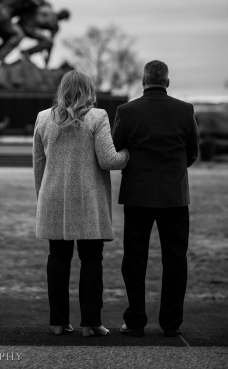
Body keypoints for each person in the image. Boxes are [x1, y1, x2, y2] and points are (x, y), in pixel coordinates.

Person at [33, 70, 129, 336]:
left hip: (52, 197)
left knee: (58, 257)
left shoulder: (43, 118)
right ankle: (90, 322)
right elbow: (108, 160)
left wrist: (41, 198)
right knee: (91, 259)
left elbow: (38, 165)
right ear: (89, 90)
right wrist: (128, 154)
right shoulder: (97, 116)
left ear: (62, 89)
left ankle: (57, 322)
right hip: (88, 199)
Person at [112, 60, 199, 338]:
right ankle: (171, 323)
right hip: (175, 196)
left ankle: (135, 321)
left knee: (135, 259)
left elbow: (116, 149)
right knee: (175, 259)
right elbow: (192, 152)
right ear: (167, 82)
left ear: (143, 81)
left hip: (137, 194)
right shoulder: (185, 110)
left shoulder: (127, 111)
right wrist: (173, 171)